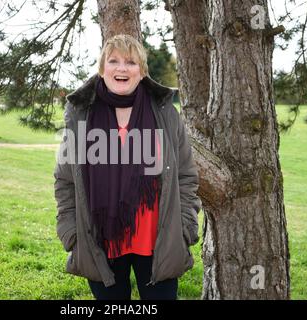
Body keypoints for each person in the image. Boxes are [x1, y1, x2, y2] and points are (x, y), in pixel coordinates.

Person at [54, 34, 201, 300]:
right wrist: (70, 232)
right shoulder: (81, 113)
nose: (122, 68)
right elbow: (65, 180)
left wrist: (185, 227)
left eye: (131, 62)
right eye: (114, 61)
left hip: (158, 241)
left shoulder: (165, 112)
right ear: (102, 69)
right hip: (100, 240)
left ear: (142, 72)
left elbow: (186, 176)